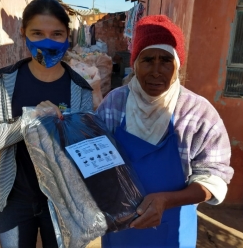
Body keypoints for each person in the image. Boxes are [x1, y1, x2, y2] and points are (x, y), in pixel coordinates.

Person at [96, 15, 234, 247]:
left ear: (177, 65)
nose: (156, 71)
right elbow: (96, 159)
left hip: (172, 229)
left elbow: (215, 176)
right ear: (135, 63)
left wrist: (167, 200)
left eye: (166, 60)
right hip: (120, 227)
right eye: (147, 60)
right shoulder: (114, 104)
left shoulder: (197, 113)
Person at [0, 0, 93, 248]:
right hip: (14, 198)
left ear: (67, 37)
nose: (47, 42)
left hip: (63, 200)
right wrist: (29, 120)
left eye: (57, 34)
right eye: (37, 33)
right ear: (23, 34)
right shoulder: (4, 82)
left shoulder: (80, 90)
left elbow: (81, 150)